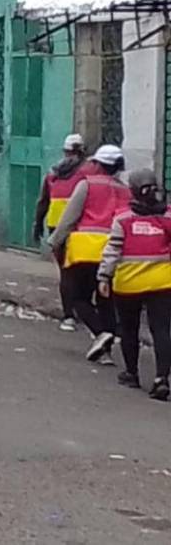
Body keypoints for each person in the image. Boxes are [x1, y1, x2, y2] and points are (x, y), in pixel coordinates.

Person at [51, 144, 129, 364]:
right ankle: (105, 352)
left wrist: (55, 241)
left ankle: (100, 333)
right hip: (112, 253)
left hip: (84, 250)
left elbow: (70, 217)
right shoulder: (125, 190)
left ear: (98, 165)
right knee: (105, 301)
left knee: (78, 297)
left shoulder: (87, 185)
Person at [98, 168, 171, 400]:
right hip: (162, 283)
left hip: (128, 284)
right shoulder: (168, 217)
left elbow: (112, 250)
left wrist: (104, 276)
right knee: (161, 330)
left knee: (129, 329)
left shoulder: (123, 219)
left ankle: (131, 373)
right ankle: (161, 379)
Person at [33, 134, 90, 332]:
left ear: (65, 151)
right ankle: (82, 311)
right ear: (82, 151)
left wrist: (37, 224)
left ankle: (69, 316)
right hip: (79, 228)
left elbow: (43, 202)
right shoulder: (86, 174)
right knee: (82, 271)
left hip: (56, 227)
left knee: (66, 272)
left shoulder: (53, 173)